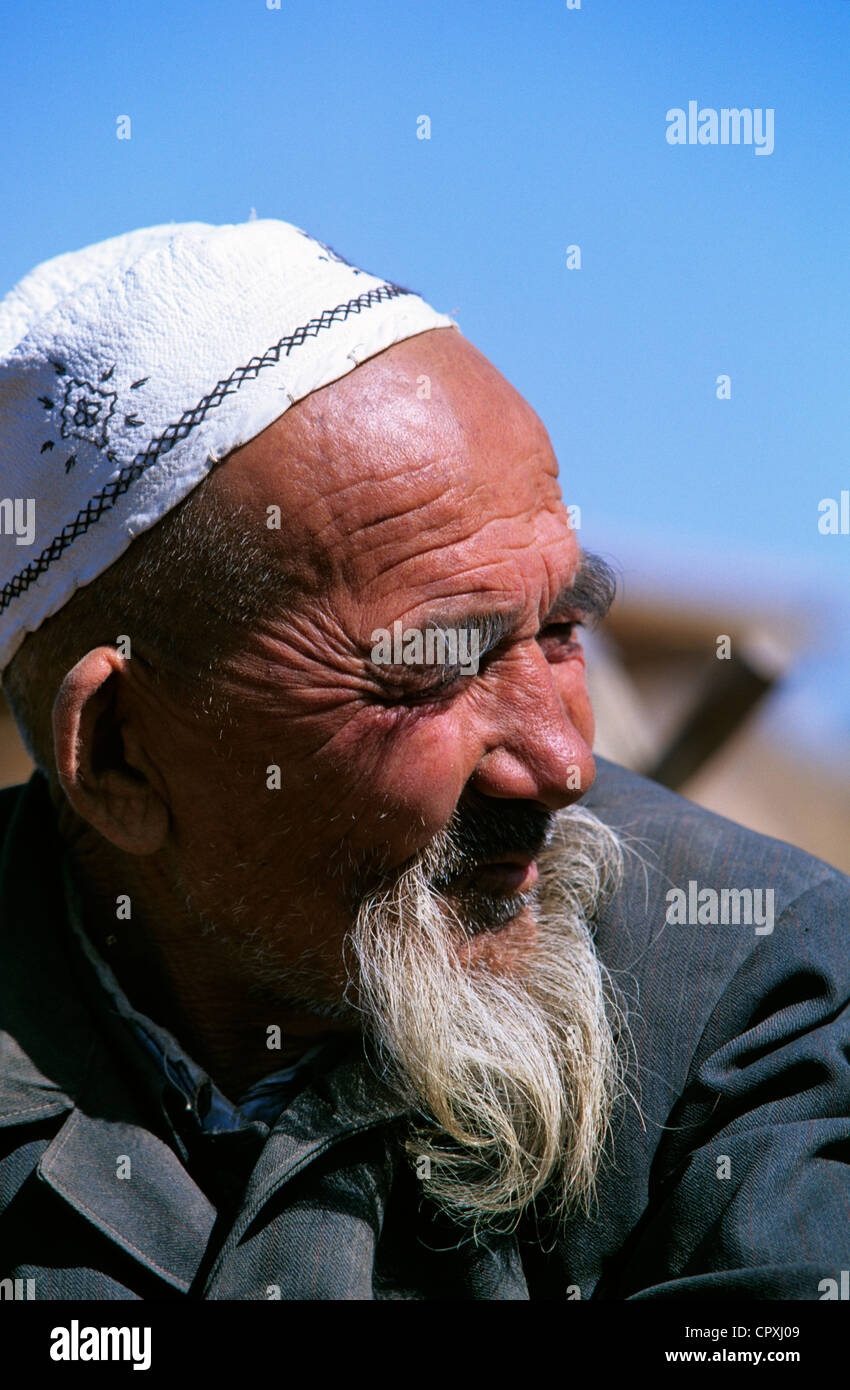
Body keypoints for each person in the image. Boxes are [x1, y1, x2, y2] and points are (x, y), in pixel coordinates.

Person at [0, 220, 847, 1300]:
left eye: (559, 630)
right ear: (119, 755)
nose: (560, 763)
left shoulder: (756, 1000)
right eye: (431, 673)